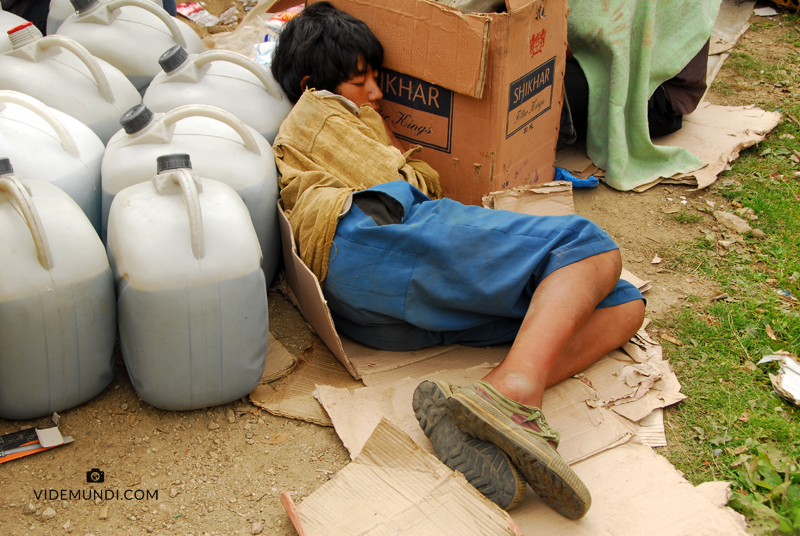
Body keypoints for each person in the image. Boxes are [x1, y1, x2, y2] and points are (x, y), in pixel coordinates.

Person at [270, 1, 645, 517]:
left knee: (621, 304)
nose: (376, 93)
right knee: (587, 245)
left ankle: (477, 405)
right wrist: (400, 149)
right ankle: (513, 395)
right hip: (369, 237)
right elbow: (411, 182)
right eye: (362, 83)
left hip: (381, 310)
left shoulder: (341, 116)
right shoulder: (316, 114)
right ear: (314, 82)